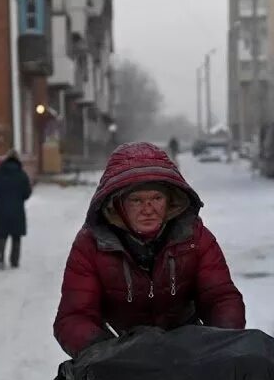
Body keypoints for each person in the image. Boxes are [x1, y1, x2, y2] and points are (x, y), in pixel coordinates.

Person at [53, 141, 245, 357]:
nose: (148, 210)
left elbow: (221, 297)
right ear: (118, 204)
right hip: (122, 356)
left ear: (171, 201)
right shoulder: (92, 245)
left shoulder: (195, 238)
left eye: (156, 198)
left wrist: (221, 346)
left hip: (190, 352)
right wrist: (110, 355)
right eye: (136, 200)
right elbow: (74, 317)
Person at [0, 149, 32, 270]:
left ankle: (0, 258)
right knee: (16, 236)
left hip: (0, 209)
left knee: (1, 235)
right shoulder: (22, 175)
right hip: (17, 211)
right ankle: (14, 261)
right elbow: (27, 193)